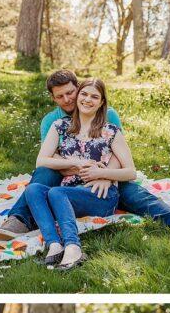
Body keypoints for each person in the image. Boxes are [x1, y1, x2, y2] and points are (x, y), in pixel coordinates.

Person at [0, 69, 170, 242]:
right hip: (64, 174)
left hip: (105, 172)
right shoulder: (53, 122)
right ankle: (18, 219)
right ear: (53, 98)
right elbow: (50, 157)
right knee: (43, 174)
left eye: (71, 92)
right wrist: (74, 166)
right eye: (60, 96)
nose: (68, 99)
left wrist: (106, 175)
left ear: (78, 88)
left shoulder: (108, 117)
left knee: (134, 194)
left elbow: (118, 151)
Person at [24, 78, 133, 269]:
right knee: (33, 190)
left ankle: (73, 247)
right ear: (78, 96)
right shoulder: (60, 126)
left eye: (94, 96)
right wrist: (76, 162)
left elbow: (131, 172)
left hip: (100, 194)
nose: (87, 99)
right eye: (84, 94)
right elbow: (41, 161)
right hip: (71, 193)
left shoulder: (111, 131)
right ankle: (55, 245)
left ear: (101, 103)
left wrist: (105, 174)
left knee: (56, 192)